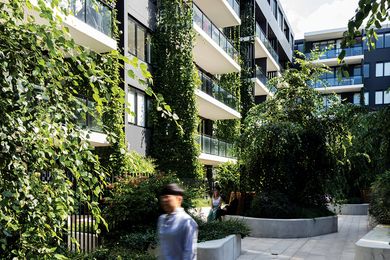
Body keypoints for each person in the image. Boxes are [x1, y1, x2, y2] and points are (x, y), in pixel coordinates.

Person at [158, 183, 198, 260]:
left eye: (167, 197)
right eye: (162, 197)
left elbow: (190, 254)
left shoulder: (187, 222)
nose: (163, 200)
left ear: (179, 199)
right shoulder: (161, 220)